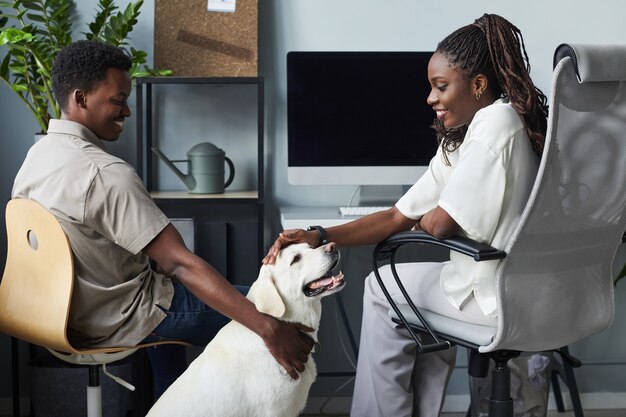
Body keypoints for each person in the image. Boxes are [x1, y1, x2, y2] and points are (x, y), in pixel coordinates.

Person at [263, 13, 549, 417]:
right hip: (526, 289)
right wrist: (318, 233)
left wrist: (430, 217)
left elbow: (440, 223)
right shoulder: (472, 135)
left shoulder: (495, 122)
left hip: (496, 293)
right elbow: (398, 217)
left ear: (478, 85)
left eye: (441, 86)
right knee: (416, 303)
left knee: (383, 288)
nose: (430, 98)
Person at [12, 40, 314, 398]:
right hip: (120, 319)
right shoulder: (105, 173)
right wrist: (268, 328)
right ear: (81, 99)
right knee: (282, 310)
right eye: (117, 100)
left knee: (162, 289)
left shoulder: (36, 157)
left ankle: (172, 400)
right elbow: (180, 265)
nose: (127, 111)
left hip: (60, 313)